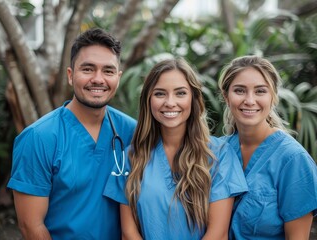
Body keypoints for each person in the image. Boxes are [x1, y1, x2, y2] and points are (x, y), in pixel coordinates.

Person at [7, 28, 137, 240]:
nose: (98, 79)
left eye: (108, 71)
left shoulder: (132, 131)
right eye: (87, 69)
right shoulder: (39, 138)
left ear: (118, 77)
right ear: (70, 75)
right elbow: (31, 226)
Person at [104, 57, 248, 239]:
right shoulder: (130, 157)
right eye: (160, 94)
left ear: (194, 99)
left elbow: (218, 234)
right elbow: (129, 233)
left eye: (180, 93)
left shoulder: (220, 155)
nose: (170, 102)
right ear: (148, 100)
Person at [218, 55, 317, 239]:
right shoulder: (218, 151)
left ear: (273, 97)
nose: (250, 100)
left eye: (260, 91)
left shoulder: (293, 160)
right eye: (239, 90)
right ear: (226, 97)